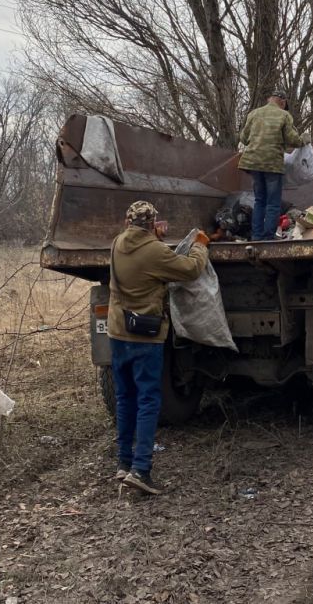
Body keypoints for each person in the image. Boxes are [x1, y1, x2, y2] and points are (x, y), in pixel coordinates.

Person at [108, 200, 211, 495]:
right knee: (148, 400)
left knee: (125, 398)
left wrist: (155, 238)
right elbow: (190, 269)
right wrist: (200, 245)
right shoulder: (154, 251)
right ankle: (141, 470)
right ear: (153, 224)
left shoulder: (117, 243)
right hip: (144, 336)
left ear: (127, 222)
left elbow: (143, 252)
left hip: (118, 333)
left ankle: (124, 465)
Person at [238, 89, 310, 240]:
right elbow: (293, 140)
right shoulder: (284, 115)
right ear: (282, 102)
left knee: (259, 200)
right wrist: (304, 139)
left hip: (252, 162)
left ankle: (256, 236)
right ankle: (268, 237)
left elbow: (244, 139)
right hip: (272, 164)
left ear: (270, 99)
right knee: (272, 203)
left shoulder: (253, 114)